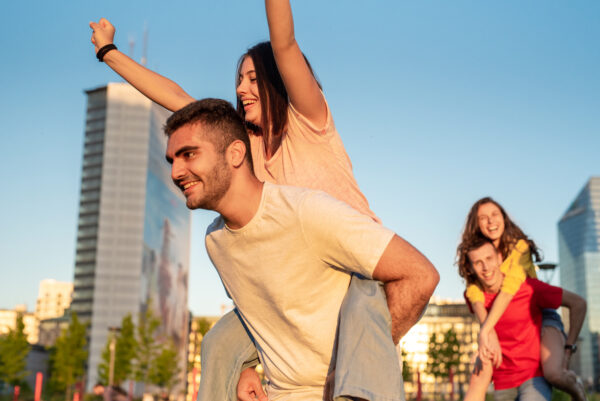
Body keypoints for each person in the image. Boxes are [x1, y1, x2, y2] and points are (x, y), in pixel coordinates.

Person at [89, 2, 409, 400]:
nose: (241, 89)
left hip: (353, 271)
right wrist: (109, 54)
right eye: (239, 80)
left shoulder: (309, 121)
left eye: (253, 79)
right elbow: (177, 98)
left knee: (360, 308)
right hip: (296, 288)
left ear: (278, 81)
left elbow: (285, 43)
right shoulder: (242, 147)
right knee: (219, 343)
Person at [163, 98, 439, 401]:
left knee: (367, 289)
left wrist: (356, 365)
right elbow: (258, 314)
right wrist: (243, 367)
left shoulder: (306, 211)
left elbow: (419, 275)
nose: (176, 172)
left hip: (346, 394)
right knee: (215, 341)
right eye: (172, 160)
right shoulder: (216, 241)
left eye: (188, 155)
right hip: (279, 393)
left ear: (236, 153)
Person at [457, 198, 587, 401]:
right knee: (479, 369)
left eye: (494, 215)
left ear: (503, 218)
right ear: (477, 224)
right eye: (483, 218)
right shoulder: (479, 254)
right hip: (503, 321)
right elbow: (474, 293)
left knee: (554, 372)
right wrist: (487, 331)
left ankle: (577, 391)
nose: (490, 221)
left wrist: (486, 329)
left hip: (539, 312)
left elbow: (510, 289)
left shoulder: (518, 247)